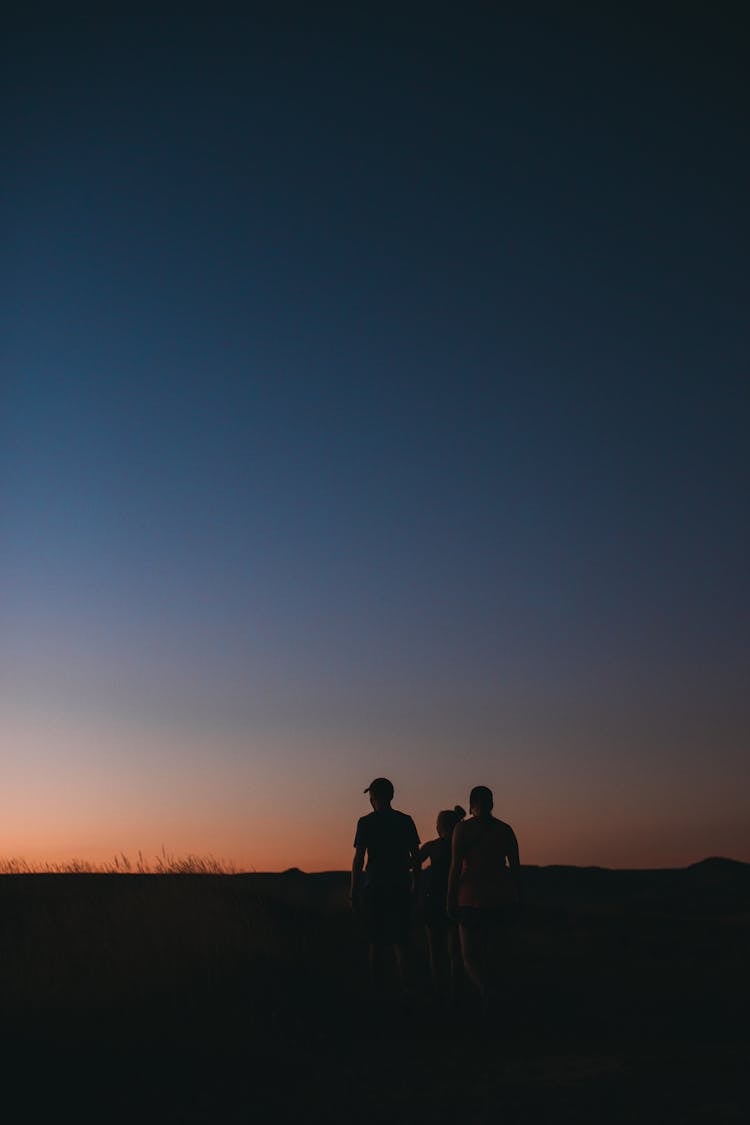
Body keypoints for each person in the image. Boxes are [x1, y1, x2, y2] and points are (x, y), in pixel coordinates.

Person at [447, 785, 521, 1006]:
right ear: (491, 804)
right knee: (494, 953)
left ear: (471, 806)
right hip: (500, 897)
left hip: (469, 898)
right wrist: (518, 896)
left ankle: (485, 992)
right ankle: (496, 995)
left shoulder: (462, 829)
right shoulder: (505, 830)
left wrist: (449, 897)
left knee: (469, 956)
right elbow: (516, 868)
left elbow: (455, 867)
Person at [350, 777, 421, 992]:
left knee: (376, 944)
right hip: (400, 887)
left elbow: (359, 859)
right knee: (401, 943)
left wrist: (353, 890)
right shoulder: (405, 820)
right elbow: (416, 857)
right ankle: (407, 993)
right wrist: (416, 886)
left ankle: (378, 994)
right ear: (391, 796)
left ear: (373, 797)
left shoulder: (366, 822)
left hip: (375, 888)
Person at [418, 805, 466, 1000]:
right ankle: (456, 991)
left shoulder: (432, 846)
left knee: (435, 949)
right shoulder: (462, 846)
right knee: (454, 950)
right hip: (457, 898)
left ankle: (439, 990)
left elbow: (413, 863)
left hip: (435, 899)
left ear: (441, 826)